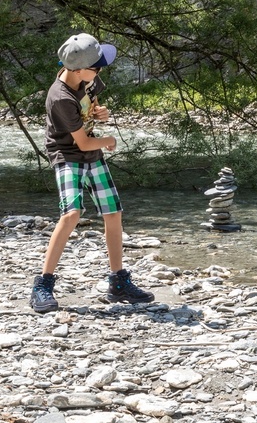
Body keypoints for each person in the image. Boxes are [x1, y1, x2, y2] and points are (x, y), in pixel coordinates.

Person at [30, 33, 155, 313]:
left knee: (113, 213)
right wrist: (109, 141)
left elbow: (93, 106)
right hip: (67, 155)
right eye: (96, 66)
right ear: (77, 69)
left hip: (90, 153)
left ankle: (118, 283)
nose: (100, 71)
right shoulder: (59, 97)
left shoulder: (89, 78)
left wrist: (100, 113)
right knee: (71, 214)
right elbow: (84, 142)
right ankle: (42, 285)